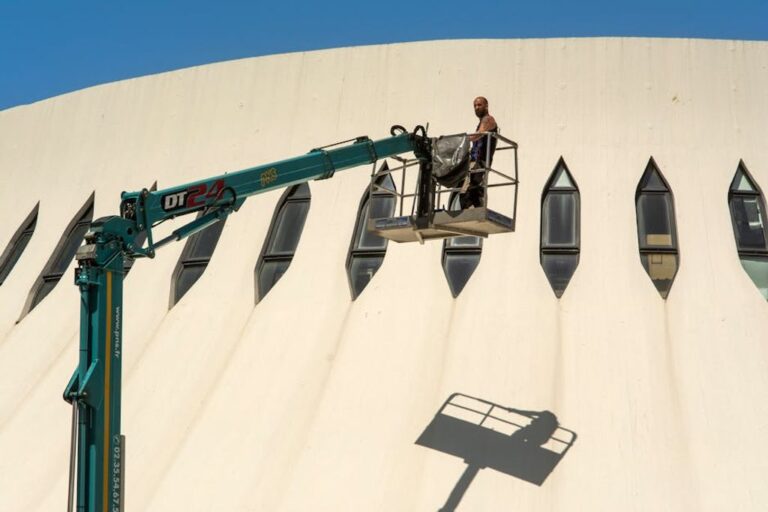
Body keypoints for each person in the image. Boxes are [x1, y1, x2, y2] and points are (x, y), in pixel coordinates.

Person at [460, 96, 498, 209]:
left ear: (486, 106)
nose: (476, 108)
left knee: (468, 191)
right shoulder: (482, 121)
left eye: (479, 105)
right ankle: (475, 209)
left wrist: (462, 140)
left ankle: (476, 211)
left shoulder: (488, 119)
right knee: (469, 191)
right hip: (475, 162)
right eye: (475, 106)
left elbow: (478, 135)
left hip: (480, 161)